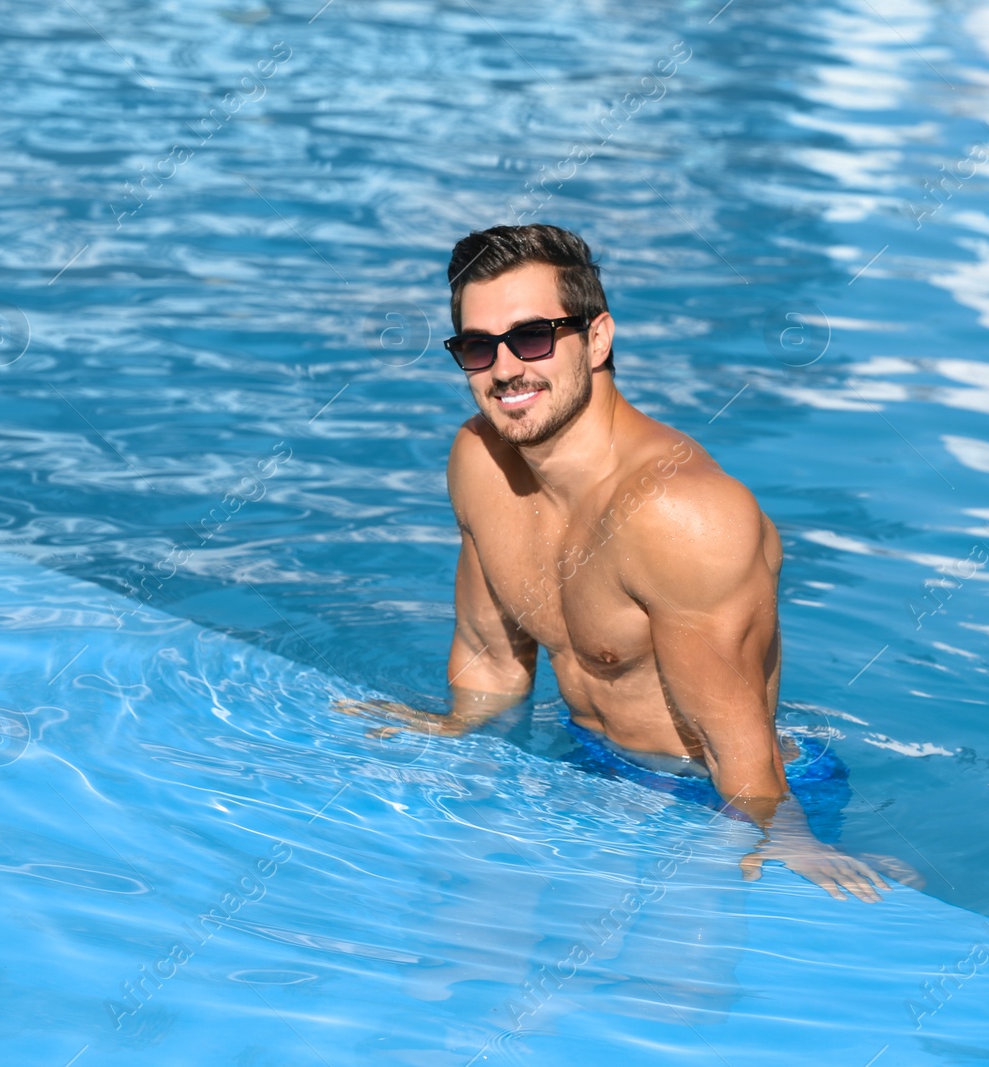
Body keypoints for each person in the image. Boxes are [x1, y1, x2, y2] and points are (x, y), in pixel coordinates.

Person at [341, 224, 917, 903]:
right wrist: (459, 735)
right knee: (464, 930)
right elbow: (491, 660)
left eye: (532, 337)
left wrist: (787, 833)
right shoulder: (480, 462)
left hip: (733, 793)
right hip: (586, 761)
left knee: (662, 996)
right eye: (477, 347)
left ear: (597, 338)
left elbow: (738, 749)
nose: (504, 369)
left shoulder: (682, 513)